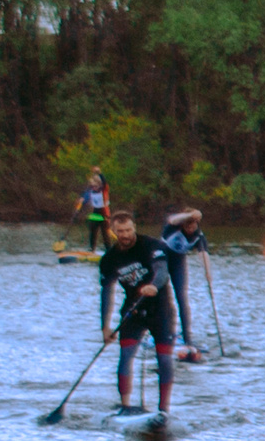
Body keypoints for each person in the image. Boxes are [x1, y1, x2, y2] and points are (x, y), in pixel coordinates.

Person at [98, 210, 177, 417]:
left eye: (128, 230)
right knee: (125, 356)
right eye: (120, 231)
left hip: (160, 309)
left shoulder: (151, 245)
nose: (125, 234)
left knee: (164, 358)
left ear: (134, 228)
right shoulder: (109, 259)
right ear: (113, 231)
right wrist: (105, 326)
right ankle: (125, 406)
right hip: (133, 310)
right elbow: (107, 292)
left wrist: (154, 285)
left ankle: (163, 410)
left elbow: (162, 271)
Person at [160, 208, 209, 356]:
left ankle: (187, 338)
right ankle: (162, 331)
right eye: (187, 224)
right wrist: (189, 215)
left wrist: (208, 275)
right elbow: (172, 219)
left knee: (182, 298)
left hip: (178, 263)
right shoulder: (173, 226)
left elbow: (204, 255)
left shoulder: (198, 236)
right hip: (160, 260)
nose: (190, 228)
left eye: (193, 224)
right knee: (163, 297)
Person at [74, 167, 111, 251]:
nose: (93, 187)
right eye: (92, 186)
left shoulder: (104, 190)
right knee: (92, 232)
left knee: (105, 233)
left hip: (104, 214)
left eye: (95, 186)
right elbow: (85, 198)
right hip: (95, 213)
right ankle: (92, 249)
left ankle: (108, 250)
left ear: (100, 185)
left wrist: (99, 172)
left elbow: (104, 182)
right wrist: (81, 200)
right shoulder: (90, 191)